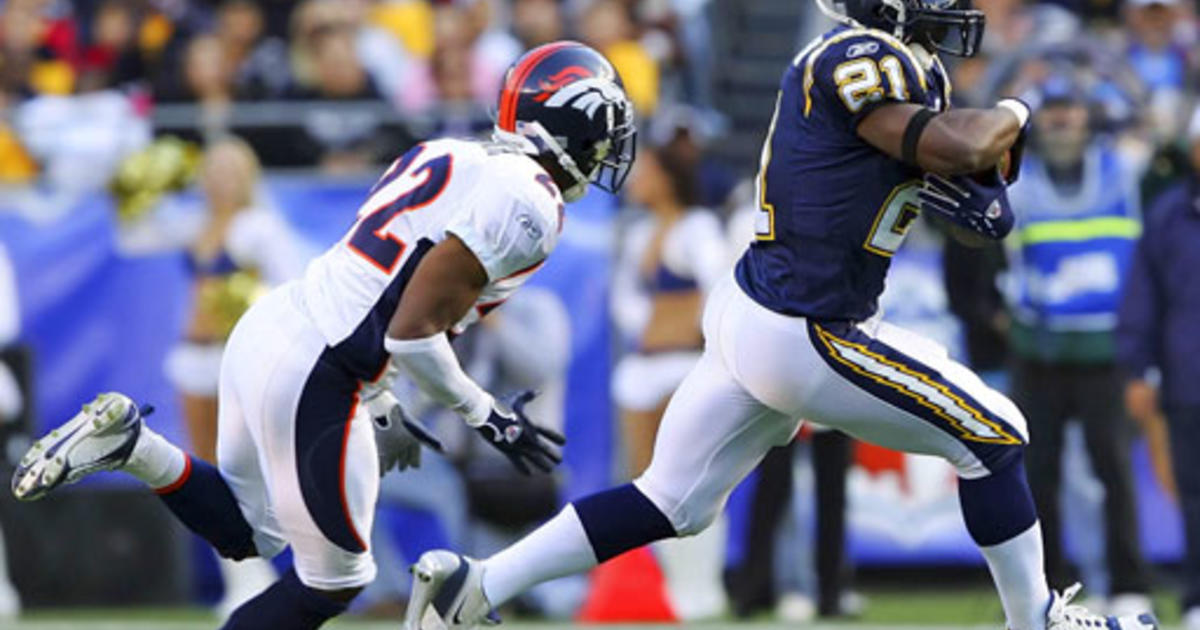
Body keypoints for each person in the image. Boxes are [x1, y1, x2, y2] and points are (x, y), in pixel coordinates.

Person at [404, 2, 1160, 630]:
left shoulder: (905, 68)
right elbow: (955, 143)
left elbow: (958, 191)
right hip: (809, 324)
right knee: (995, 432)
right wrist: (1016, 108)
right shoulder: (860, 57)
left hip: (756, 311)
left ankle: (472, 588)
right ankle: (1039, 622)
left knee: (671, 499)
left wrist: (976, 183)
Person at [11, 41, 636, 630]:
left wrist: (383, 400)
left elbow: (376, 286)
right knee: (336, 580)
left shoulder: (449, 153)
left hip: (274, 327)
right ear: (564, 126)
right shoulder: (528, 201)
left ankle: (132, 443)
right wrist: (488, 415)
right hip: (319, 366)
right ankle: (131, 445)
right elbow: (410, 332)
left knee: (251, 535)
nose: (608, 150)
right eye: (602, 132)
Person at [1004, 74, 1153, 616]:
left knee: (1113, 467)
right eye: (1053, 111)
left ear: (1090, 117)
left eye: (1072, 110)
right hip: (1038, 350)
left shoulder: (1123, 169)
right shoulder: (1019, 181)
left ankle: (1129, 579)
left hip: (1105, 350)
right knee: (1036, 472)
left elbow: (1162, 136)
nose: (1063, 120)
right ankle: (1048, 587)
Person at [163, 137, 305, 619]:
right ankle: (236, 579)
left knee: (241, 466)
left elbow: (291, 284)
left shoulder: (258, 226)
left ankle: (260, 573)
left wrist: (249, 302)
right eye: (213, 169)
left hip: (235, 357)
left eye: (231, 170)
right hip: (193, 356)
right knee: (202, 467)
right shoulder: (194, 224)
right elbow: (132, 231)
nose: (221, 179)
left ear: (247, 176)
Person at [1118, 106, 1200, 630]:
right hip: (1189, 377)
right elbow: (1143, 299)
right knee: (1194, 493)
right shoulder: (1170, 215)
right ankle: (1198, 597)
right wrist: (1137, 368)